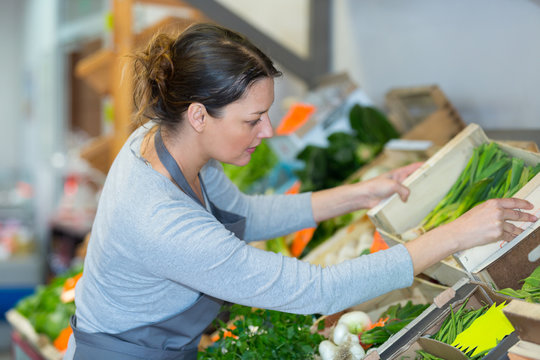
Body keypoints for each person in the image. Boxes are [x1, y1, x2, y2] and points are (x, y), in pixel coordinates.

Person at [64, 23, 536, 360]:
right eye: (252, 120)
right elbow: (316, 290)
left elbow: (247, 214)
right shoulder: (160, 221)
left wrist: (362, 192)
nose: (267, 131)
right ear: (199, 115)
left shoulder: (163, 138)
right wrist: (456, 234)